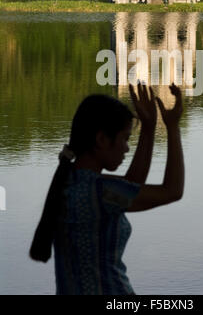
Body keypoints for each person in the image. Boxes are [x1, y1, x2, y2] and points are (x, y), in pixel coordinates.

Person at [29, 82, 184, 295]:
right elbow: (172, 190)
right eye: (125, 139)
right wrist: (173, 126)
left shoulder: (69, 183)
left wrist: (149, 129)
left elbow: (130, 186)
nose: (126, 148)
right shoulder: (99, 191)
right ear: (101, 139)